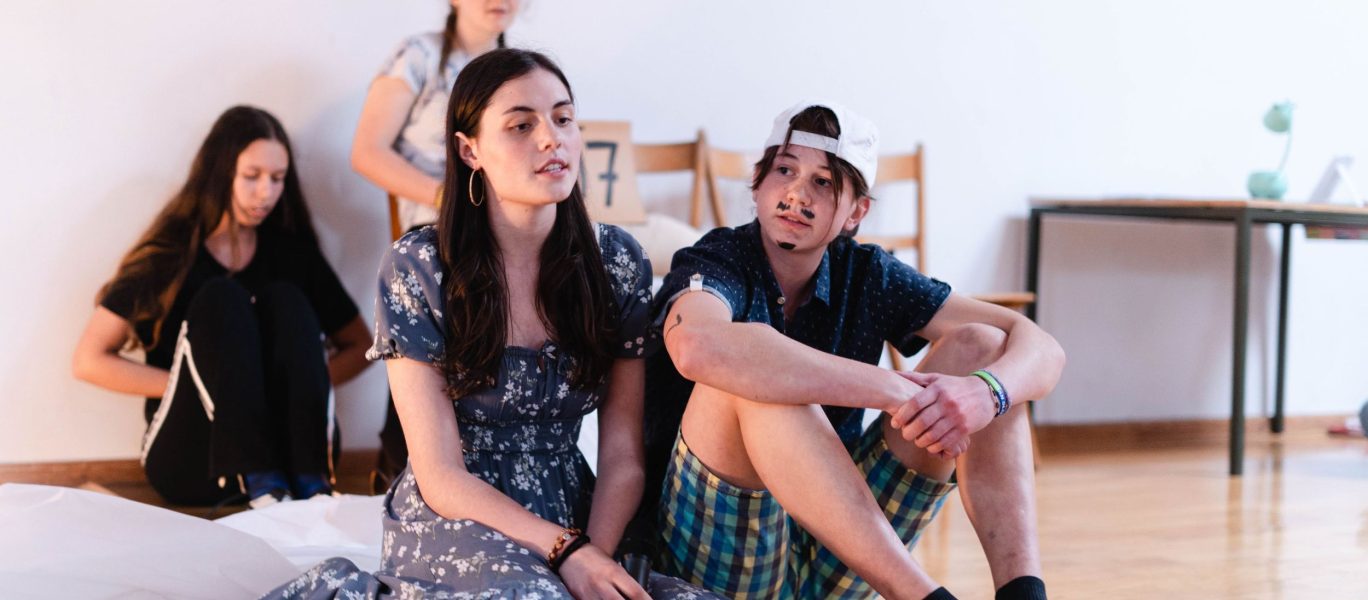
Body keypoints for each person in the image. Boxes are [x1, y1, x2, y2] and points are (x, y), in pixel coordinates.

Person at [265, 49, 716, 600]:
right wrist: (565, 553)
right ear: (469, 150)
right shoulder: (419, 267)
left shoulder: (617, 262)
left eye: (563, 118)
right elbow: (440, 474)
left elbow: (622, 457)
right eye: (521, 125)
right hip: (455, 515)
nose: (551, 139)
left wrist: (590, 558)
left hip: (577, 512)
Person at [639, 101, 1066, 599]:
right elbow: (696, 346)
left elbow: (1041, 349)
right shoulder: (719, 257)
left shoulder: (867, 273)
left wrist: (985, 394)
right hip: (722, 549)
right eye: (784, 170)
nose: (797, 193)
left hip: (839, 544)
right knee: (753, 374)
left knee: (984, 346)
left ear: (856, 212)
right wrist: (890, 389)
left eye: (823, 182)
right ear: (757, 184)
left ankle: (1022, 594)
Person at [72, 106, 371, 508]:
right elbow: (88, 360)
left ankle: (309, 485)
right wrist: (201, 385)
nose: (265, 192)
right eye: (252, 176)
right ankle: (261, 485)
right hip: (195, 458)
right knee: (221, 299)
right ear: (220, 173)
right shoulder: (172, 255)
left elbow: (360, 345)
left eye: (277, 179)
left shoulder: (293, 255)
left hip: (290, 453)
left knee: (285, 299)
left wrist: (290, 385)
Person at [352, 0, 521, 490]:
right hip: (438, 228)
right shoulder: (419, 56)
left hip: (511, 226)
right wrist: (450, 199)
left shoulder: (518, 70)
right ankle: (417, 464)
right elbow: (367, 151)